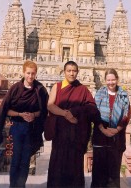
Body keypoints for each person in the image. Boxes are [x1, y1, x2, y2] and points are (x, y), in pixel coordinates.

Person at [47, 60, 100, 188]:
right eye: (69, 71)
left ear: (77, 72)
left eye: (74, 71)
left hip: (76, 135)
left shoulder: (82, 89)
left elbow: (92, 108)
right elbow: (50, 105)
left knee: (74, 166)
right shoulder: (57, 87)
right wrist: (66, 114)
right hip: (60, 134)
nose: (72, 73)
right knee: (58, 164)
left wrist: (76, 111)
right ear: (64, 72)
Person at [0, 60, 48, 188]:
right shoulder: (15, 89)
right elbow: (5, 109)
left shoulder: (40, 89)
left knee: (25, 161)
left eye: (33, 73)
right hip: (17, 127)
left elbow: (44, 110)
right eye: (28, 73)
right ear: (23, 72)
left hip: (32, 128)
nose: (30, 76)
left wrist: (33, 115)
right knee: (16, 159)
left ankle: (21, 185)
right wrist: (20, 114)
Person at [91, 68, 131, 188]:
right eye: (108, 80)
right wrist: (103, 129)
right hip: (100, 137)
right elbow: (94, 113)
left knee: (114, 173)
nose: (111, 82)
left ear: (117, 79)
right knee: (98, 172)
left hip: (116, 139)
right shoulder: (99, 94)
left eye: (113, 79)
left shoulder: (123, 95)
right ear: (105, 81)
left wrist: (117, 129)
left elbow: (127, 114)